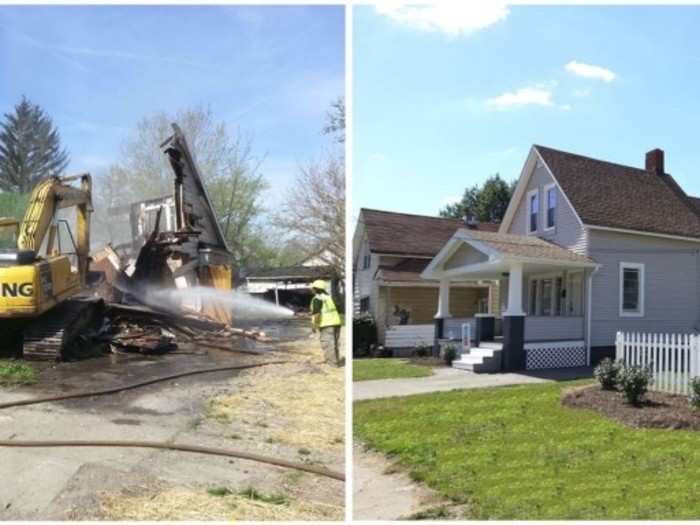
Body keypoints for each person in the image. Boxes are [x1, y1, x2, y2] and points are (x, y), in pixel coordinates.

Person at [310, 279, 341, 366]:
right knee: (334, 344)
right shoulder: (328, 297)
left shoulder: (317, 298)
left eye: (313, 288)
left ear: (316, 289)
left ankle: (332, 364)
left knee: (328, 344)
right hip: (336, 323)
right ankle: (335, 361)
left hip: (326, 324)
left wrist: (314, 325)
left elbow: (317, 313)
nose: (311, 289)